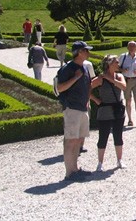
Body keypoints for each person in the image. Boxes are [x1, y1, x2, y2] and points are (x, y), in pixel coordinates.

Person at [56, 41, 93, 181]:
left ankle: (75, 169)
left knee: (78, 140)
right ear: (79, 52)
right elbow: (59, 88)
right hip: (72, 108)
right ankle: (69, 173)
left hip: (82, 107)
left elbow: (88, 85)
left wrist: (88, 99)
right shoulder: (68, 69)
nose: (88, 53)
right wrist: (75, 77)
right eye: (86, 50)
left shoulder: (83, 67)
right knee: (71, 140)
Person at [89, 55, 127, 172]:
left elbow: (123, 87)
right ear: (109, 64)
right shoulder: (100, 79)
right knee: (103, 136)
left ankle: (119, 160)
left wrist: (109, 78)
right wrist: (96, 100)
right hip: (105, 110)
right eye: (116, 62)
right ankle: (100, 163)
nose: (118, 64)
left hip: (118, 109)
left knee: (118, 135)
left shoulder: (119, 76)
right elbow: (86, 89)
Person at [119, 41, 136, 127]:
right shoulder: (123, 57)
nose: (132, 48)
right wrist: (123, 70)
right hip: (126, 80)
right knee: (128, 100)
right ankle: (130, 119)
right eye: (130, 46)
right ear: (127, 48)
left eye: (133, 46)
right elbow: (117, 67)